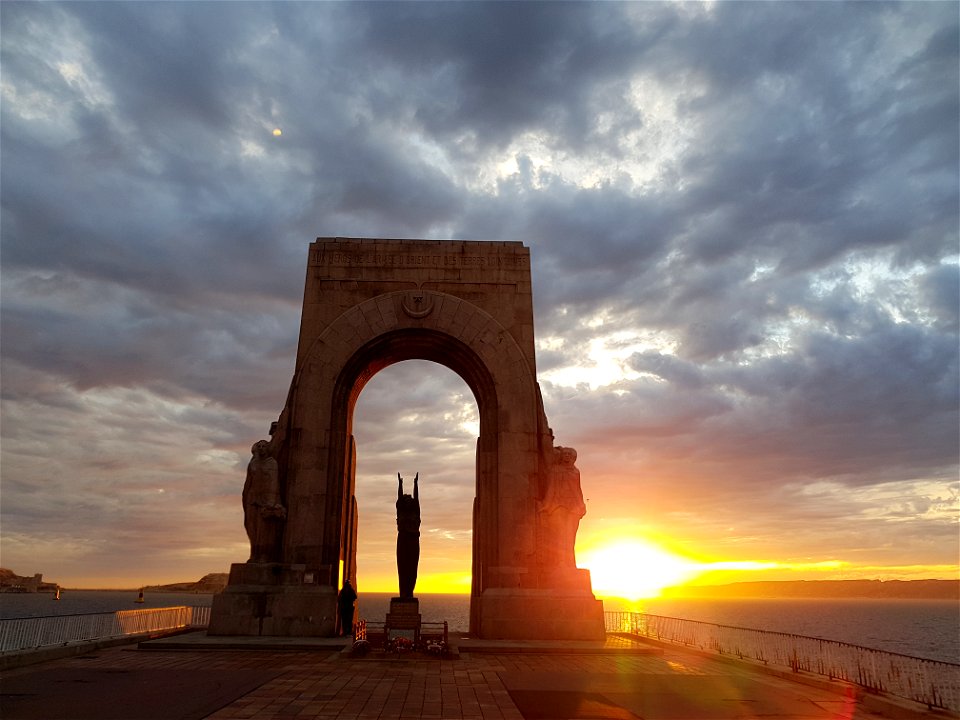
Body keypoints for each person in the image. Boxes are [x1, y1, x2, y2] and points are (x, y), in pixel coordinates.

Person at [538, 446, 586, 569]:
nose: (566, 456)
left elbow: (577, 490)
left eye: (569, 454)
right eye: (564, 453)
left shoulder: (575, 472)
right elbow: (551, 488)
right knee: (560, 535)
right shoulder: (555, 470)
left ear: (574, 457)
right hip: (558, 506)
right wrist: (546, 504)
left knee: (570, 537)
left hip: (574, 507)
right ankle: (561, 562)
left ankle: (570, 562)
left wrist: (581, 505)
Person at [242, 439, 286, 562]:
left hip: (266, 501)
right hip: (252, 499)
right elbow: (249, 483)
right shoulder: (253, 464)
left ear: (268, 448)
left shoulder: (272, 463)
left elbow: (273, 483)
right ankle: (254, 554)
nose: (261, 448)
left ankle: (264, 555)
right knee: (253, 530)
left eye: (264, 446)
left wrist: (270, 503)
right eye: (259, 446)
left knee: (265, 531)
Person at [396, 472, 421, 598]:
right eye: (406, 500)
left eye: (410, 500)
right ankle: (403, 594)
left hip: (414, 540)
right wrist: (400, 484)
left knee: (412, 569)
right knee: (402, 568)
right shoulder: (401, 512)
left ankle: (409, 592)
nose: (408, 501)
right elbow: (399, 499)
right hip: (403, 539)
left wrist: (415, 484)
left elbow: (417, 499)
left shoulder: (415, 512)